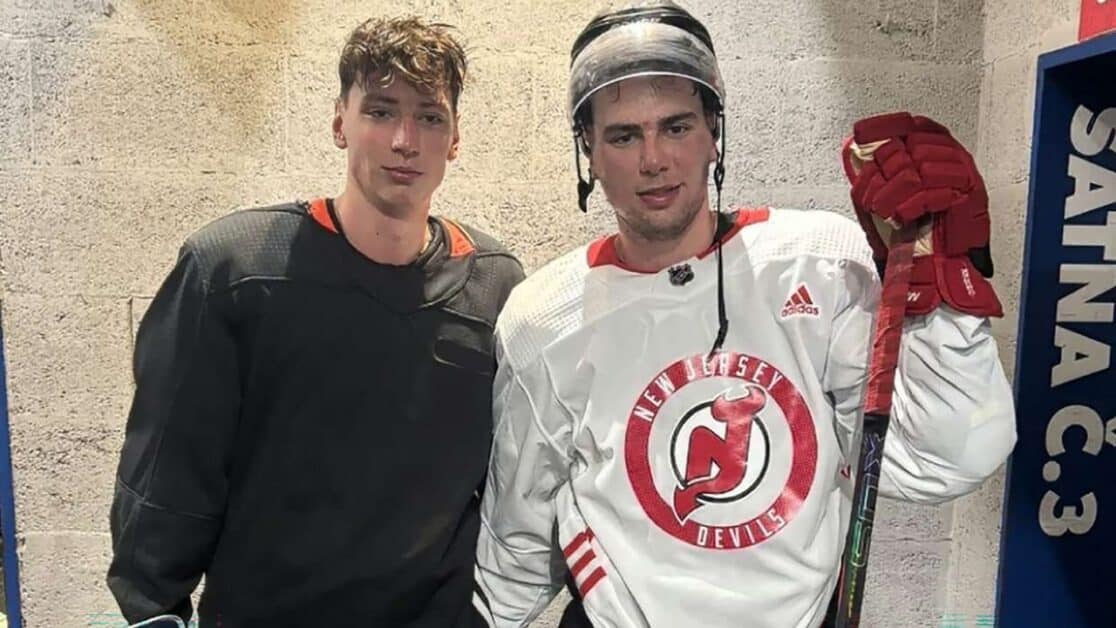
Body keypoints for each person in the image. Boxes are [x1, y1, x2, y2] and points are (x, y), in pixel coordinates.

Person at [472, 3, 1016, 627]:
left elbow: (947, 459)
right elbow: (517, 537)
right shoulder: (544, 318)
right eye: (623, 136)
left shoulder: (820, 263)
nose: (654, 159)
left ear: (713, 133)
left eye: (677, 127)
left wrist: (940, 295)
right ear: (588, 153)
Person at [108, 16, 523, 627]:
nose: (405, 140)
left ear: (455, 139)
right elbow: (169, 472)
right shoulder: (235, 270)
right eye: (380, 111)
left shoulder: (495, 286)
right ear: (339, 122)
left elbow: (509, 481)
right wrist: (153, 612)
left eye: (430, 117)